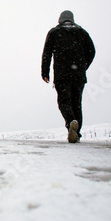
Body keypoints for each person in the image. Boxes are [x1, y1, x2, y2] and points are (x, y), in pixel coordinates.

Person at [41, 10, 95, 143]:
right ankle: (76, 132)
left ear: (60, 20)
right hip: (78, 75)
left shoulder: (54, 32)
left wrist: (45, 72)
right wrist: (83, 66)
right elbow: (92, 51)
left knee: (64, 102)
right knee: (77, 103)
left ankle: (71, 122)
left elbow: (47, 53)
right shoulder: (82, 32)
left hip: (62, 74)